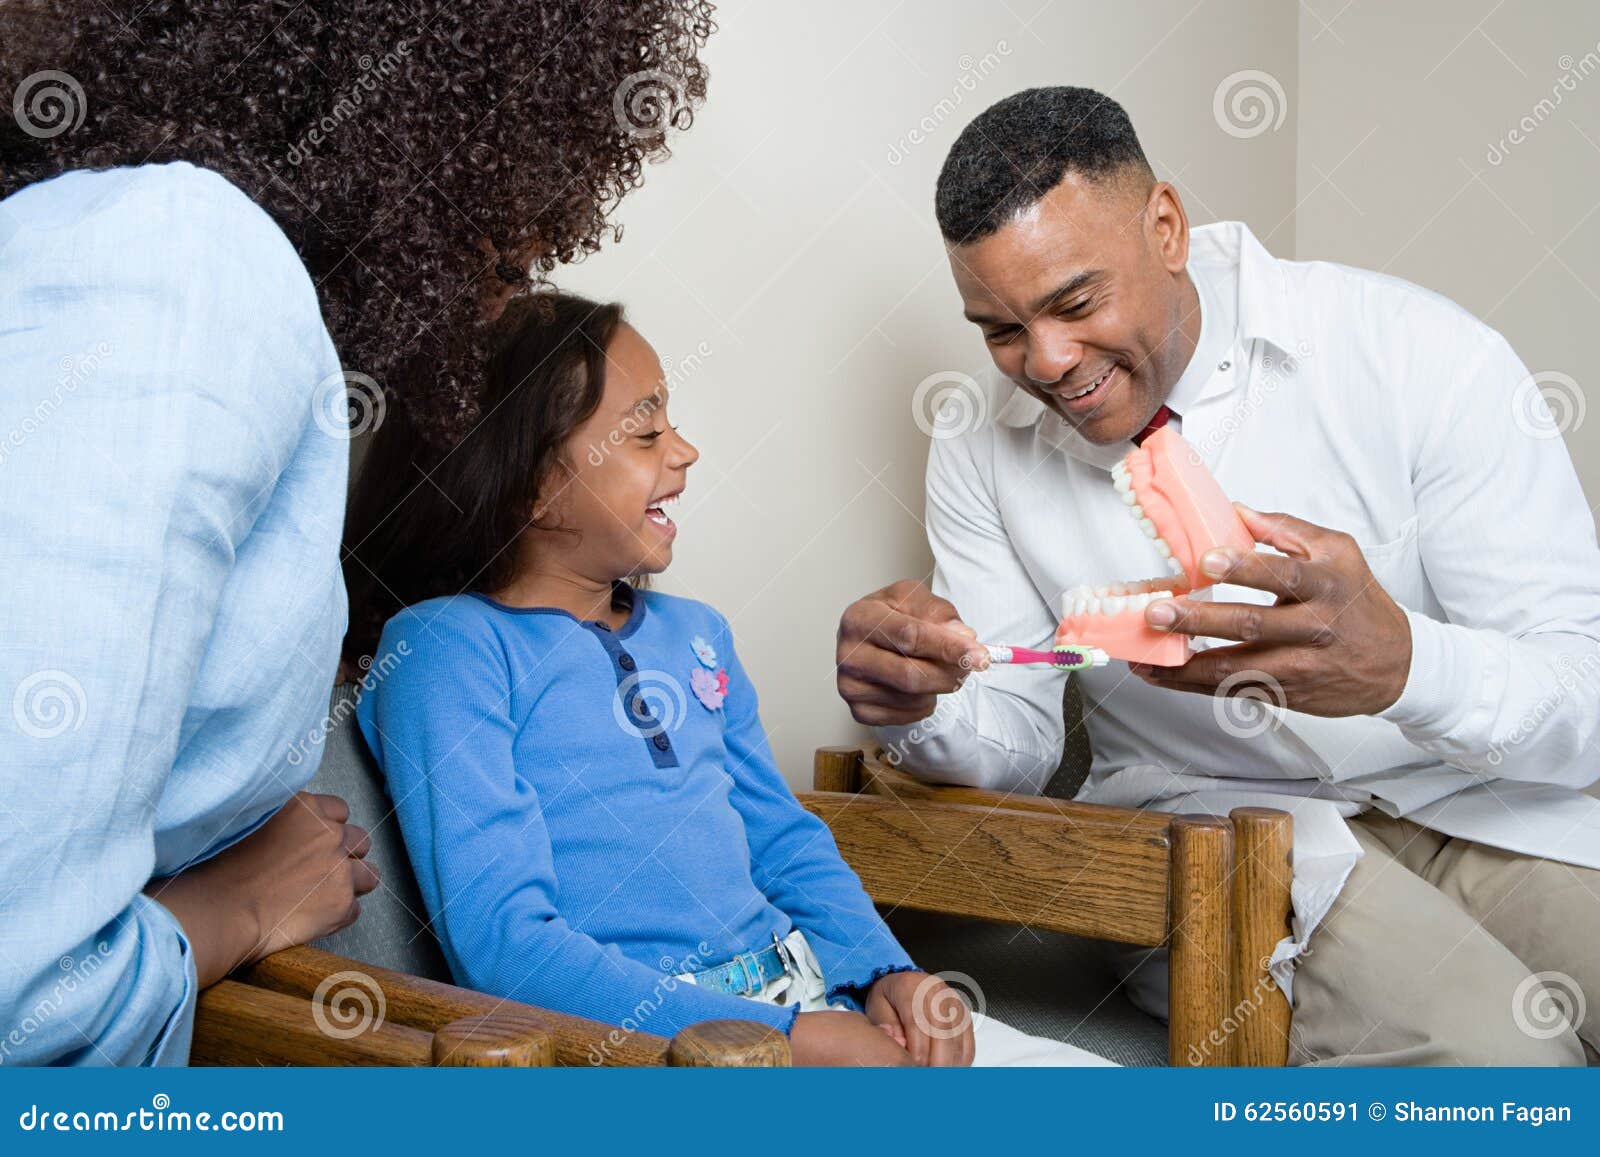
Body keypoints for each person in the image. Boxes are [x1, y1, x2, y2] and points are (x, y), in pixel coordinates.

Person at [0, 0, 716, 1066]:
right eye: (504, 259)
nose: (500, 307)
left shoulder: (123, 250)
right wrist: (239, 903)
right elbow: (26, 1000)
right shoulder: (185, 260)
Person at [835, 86, 1600, 1066]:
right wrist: (919, 705)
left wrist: (1402, 666)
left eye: (1076, 302)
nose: (1048, 362)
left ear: (1165, 227)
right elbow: (1017, 742)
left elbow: (1583, 694)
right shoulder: (977, 442)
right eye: (1000, 329)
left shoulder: (1420, 354)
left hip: (1466, 794)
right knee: (1509, 1060)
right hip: (1215, 834)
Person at [347, 293, 1114, 1066]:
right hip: (654, 1051)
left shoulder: (697, 634)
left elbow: (781, 839)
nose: (684, 451)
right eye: (646, 432)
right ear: (532, 486)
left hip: (811, 1000)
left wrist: (888, 971)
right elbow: (507, 950)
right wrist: (788, 1040)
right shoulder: (446, 652)